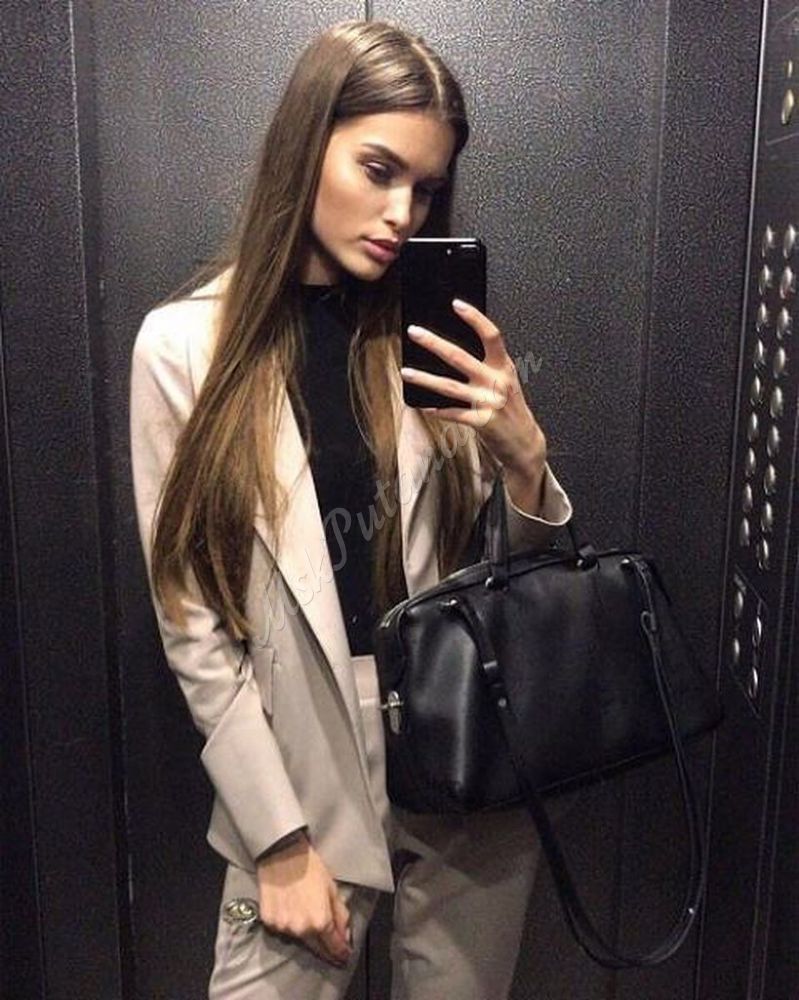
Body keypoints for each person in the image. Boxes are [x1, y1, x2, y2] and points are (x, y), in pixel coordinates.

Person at [129, 18, 573, 999]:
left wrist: (526, 464)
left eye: (425, 188)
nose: (401, 212)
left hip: (462, 774)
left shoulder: (431, 338)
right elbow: (191, 619)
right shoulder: (184, 350)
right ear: (307, 142)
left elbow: (516, 586)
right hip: (296, 773)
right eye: (378, 169)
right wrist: (277, 839)